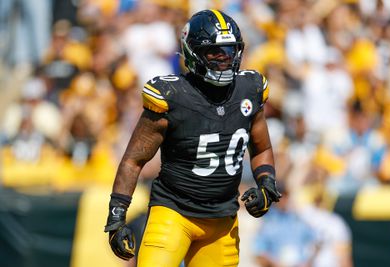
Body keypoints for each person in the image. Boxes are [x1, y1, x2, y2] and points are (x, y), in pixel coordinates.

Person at [104, 9, 281, 267]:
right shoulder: (172, 95)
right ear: (193, 53)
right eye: (214, 53)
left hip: (222, 220)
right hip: (174, 214)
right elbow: (134, 160)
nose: (224, 60)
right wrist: (117, 217)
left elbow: (262, 147)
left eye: (229, 51)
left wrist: (266, 184)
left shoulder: (249, 89)